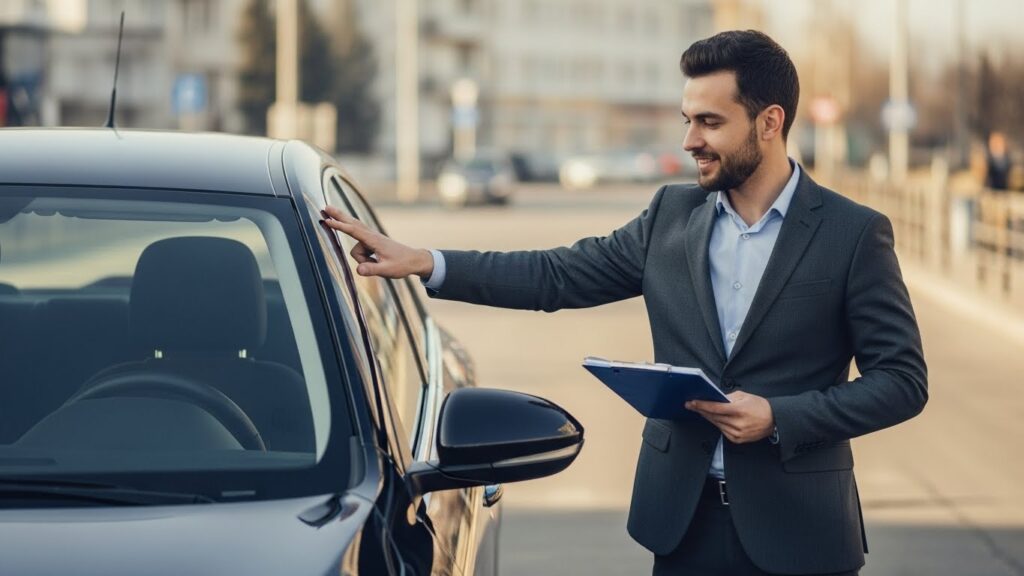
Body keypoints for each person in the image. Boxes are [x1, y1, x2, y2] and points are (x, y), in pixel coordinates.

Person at [323, 30, 927, 576]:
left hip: (800, 533)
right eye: (687, 120)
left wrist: (779, 416)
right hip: (682, 525)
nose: (690, 140)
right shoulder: (670, 217)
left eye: (709, 122)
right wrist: (426, 261)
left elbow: (902, 380)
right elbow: (555, 274)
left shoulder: (852, 234)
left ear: (770, 122)